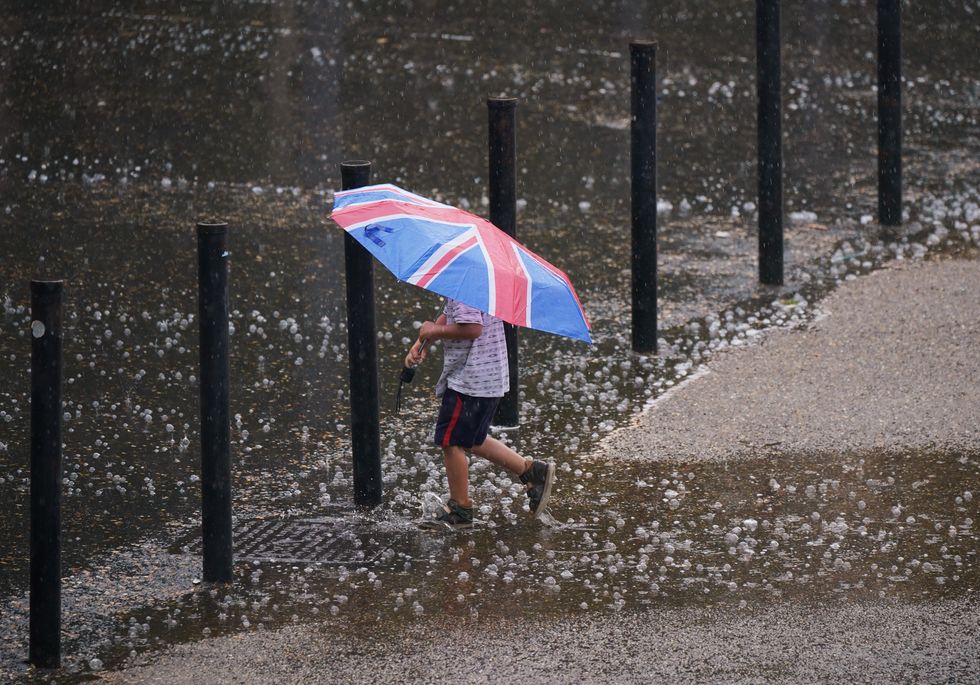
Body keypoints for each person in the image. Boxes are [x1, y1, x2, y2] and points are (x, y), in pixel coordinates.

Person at [405, 298, 555, 528]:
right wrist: (424, 340)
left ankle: (460, 508)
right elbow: (450, 315)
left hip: (470, 381)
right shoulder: (476, 287)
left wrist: (434, 330)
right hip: (486, 378)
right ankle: (531, 471)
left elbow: (473, 328)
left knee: (451, 441)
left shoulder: (467, 288)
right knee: (473, 438)